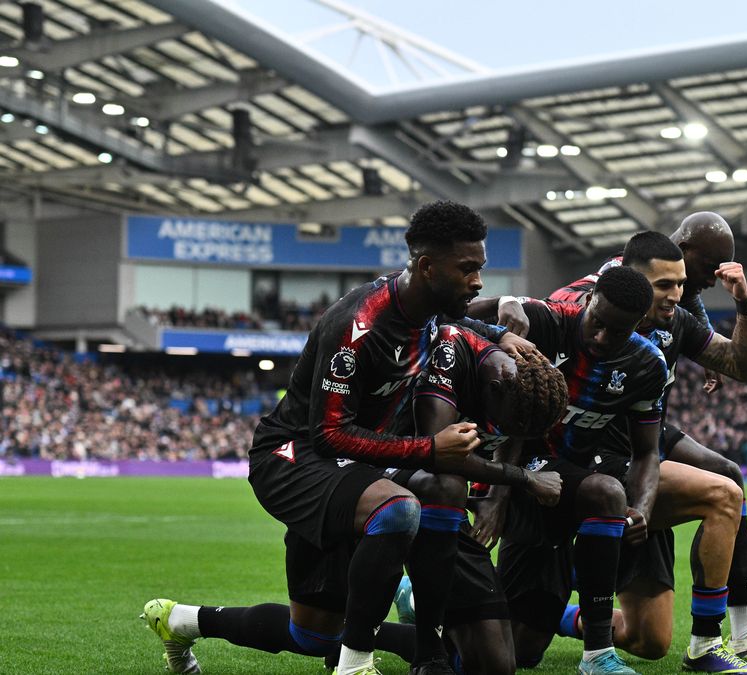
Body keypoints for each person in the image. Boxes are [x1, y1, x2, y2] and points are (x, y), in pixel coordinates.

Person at [141, 200, 532, 675]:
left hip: (358, 463)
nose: (478, 281)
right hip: (293, 456)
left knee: (310, 633)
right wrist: (429, 448)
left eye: (480, 269)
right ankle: (355, 665)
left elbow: (459, 317)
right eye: (468, 269)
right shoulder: (357, 326)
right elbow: (328, 435)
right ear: (427, 267)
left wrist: (498, 334)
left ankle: (181, 621)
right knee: (400, 507)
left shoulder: (427, 307)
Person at [541, 228, 747, 663]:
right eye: (677, 280)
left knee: (650, 641)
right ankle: (709, 643)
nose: (689, 287)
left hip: (644, 441)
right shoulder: (593, 299)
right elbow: (544, 321)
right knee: (723, 491)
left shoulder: (676, 313)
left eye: (684, 282)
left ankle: (558, 613)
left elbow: (743, 365)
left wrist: (742, 304)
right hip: (593, 448)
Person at [486, 267, 669, 675]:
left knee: (518, 654)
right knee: (605, 492)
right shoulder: (548, 321)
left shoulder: (646, 366)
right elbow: (453, 313)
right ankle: (598, 656)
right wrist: (502, 301)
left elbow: (647, 453)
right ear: (587, 301)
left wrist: (642, 505)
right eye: (597, 322)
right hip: (514, 476)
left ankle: (426, 604)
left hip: (563, 493)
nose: (601, 337)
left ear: (638, 325)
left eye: (616, 332)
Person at [391, 324, 570, 674]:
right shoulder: (449, 357)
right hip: (385, 477)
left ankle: (415, 599)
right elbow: (438, 455)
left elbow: (513, 434)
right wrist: (525, 478)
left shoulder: (518, 382)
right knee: (314, 632)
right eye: (508, 423)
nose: (505, 433)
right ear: (494, 389)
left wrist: (497, 498)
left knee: (499, 665)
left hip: (445, 502)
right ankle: (386, 623)